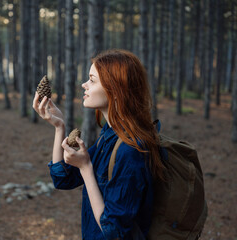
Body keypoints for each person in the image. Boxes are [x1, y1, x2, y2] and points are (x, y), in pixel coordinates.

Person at [32, 49, 165, 240]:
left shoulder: (131, 150)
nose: (84, 85)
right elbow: (62, 179)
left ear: (116, 90)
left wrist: (86, 167)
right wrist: (59, 126)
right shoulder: (111, 136)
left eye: (92, 80)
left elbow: (113, 232)